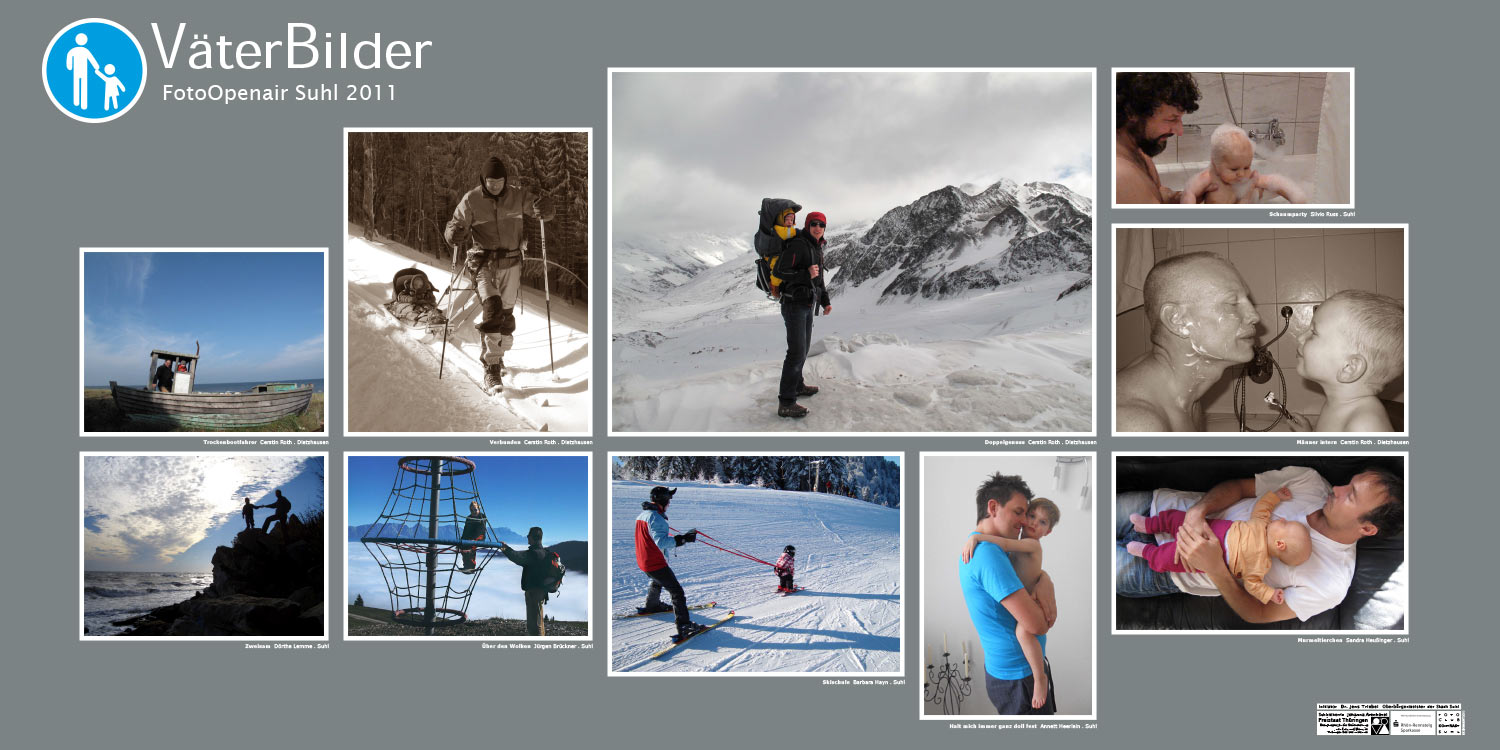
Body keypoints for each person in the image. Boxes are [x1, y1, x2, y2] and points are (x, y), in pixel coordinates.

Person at [1115, 466, 1403, 624]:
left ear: (1367, 528)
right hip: (1160, 508)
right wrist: (1197, 512)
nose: (1337, 489)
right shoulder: (1311, 482)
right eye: (1348, 484)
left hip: (1165, 569)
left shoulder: (1331, 582)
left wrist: (1216, 568)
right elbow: (1239, 488)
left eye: (1349, 496)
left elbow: (1259, 613)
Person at [444, 156, 555, 391]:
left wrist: (546, 208)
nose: (496, 185)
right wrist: (454, 233)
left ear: (506, 180)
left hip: (512, 262)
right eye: (491, 181)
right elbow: (454, 224)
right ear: (483, 180)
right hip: (482, 261)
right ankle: (492, 369)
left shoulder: (517, 196)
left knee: (505, 317)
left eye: (500, 181)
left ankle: (497, 353)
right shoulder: (471, 199)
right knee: (492, 308)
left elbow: (540, 210)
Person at [1116, 252, 1260, 431]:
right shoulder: (1136, 424)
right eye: (1232, 303)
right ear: (1177, 320)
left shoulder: (1186, 399)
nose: (1254, 316)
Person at [959, 473, 1058, 715]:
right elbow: (1038, 625)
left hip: (1018, 673)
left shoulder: (982, 547)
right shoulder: (988, 554)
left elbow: (1027, 572)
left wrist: (1045, 580)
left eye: (1029, 514)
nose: (1025, 521)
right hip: (1020, 678)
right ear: (993, 507)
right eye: (1020, 512)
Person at [1127, 486, 1311, 605]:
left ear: (1280, 544)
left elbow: (1253, 585)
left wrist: (1269, 594)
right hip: (1206, 528)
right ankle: (1149, 525)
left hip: (1201, 558)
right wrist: (1275, 496)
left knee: (1168, 558)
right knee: (1176, 518)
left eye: (1285, 524)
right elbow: (1262, 507)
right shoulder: (1261, 525)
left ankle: (1147, 552)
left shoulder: (1261, 566)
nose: (1283, 519)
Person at [1295, 290, 1404, 432]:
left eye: (1314, 332)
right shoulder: (1339, 403)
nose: (1300, 338)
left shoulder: (1365, 426)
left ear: (1349, 367)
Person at [773, 210, 833, 419]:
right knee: (796, 352)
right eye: (814, 224)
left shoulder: (816, 248)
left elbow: (819, 279)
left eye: (821, 224)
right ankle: (786, 402)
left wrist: (825, 301)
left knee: (803, 349)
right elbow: (779, 271)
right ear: (807, 226)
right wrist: (804, 273)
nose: (818, 227)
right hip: (793, 304)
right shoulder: (799, 244)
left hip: (807, 304)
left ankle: (797, 385)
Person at [1115, 72, 1203, 204]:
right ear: (1132, 112)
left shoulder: (1139, 153)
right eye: (1171, 119)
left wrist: (1181, 197)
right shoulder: (1120, 175)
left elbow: (1158, 193)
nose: (1179, 131)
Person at [633, 486, 704, 642]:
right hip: (654, 562)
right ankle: (684, 626)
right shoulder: (656, 518)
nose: (670, 503)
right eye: (669, 499)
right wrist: (683, 539)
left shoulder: (644, 515)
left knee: (657, 580)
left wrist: (680, 537)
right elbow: (662, 542)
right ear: (663, 500)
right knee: (677, 592)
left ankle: (653, 605)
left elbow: (652, 536)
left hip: (643, 560)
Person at [1181, 124, 1308, 205]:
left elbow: (1274, 181)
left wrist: (1296, 198)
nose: (1241, 174)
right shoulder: (1208, 178)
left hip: (1248, 203)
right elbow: (1189, 192)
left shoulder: (1248, 179)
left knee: (1263, 187)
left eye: (1246, 167)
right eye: (1234, 169)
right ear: (1215, 164)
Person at [499, 527, 556, 637]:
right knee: (537, 623)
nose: (527, 537)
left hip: (534, 593)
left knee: (535, 625)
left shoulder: (534, 554)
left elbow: (518, 557)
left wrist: (505, 549)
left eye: (529, 535)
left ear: (534, 537)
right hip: (539, 592)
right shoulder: (543, 552)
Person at [457, 501, 487, 574]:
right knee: (463, 546)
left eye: (475, 509)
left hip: (480, 536)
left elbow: (481, 530)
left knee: (471, 546)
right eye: (472, 510)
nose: (474, 512)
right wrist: (461, 540)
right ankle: (466, 566)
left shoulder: (482, 517)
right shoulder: (469, 518)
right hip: (469, 537)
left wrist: (472, 539)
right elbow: (466, 530)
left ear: (479, 509)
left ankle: (471, 567)